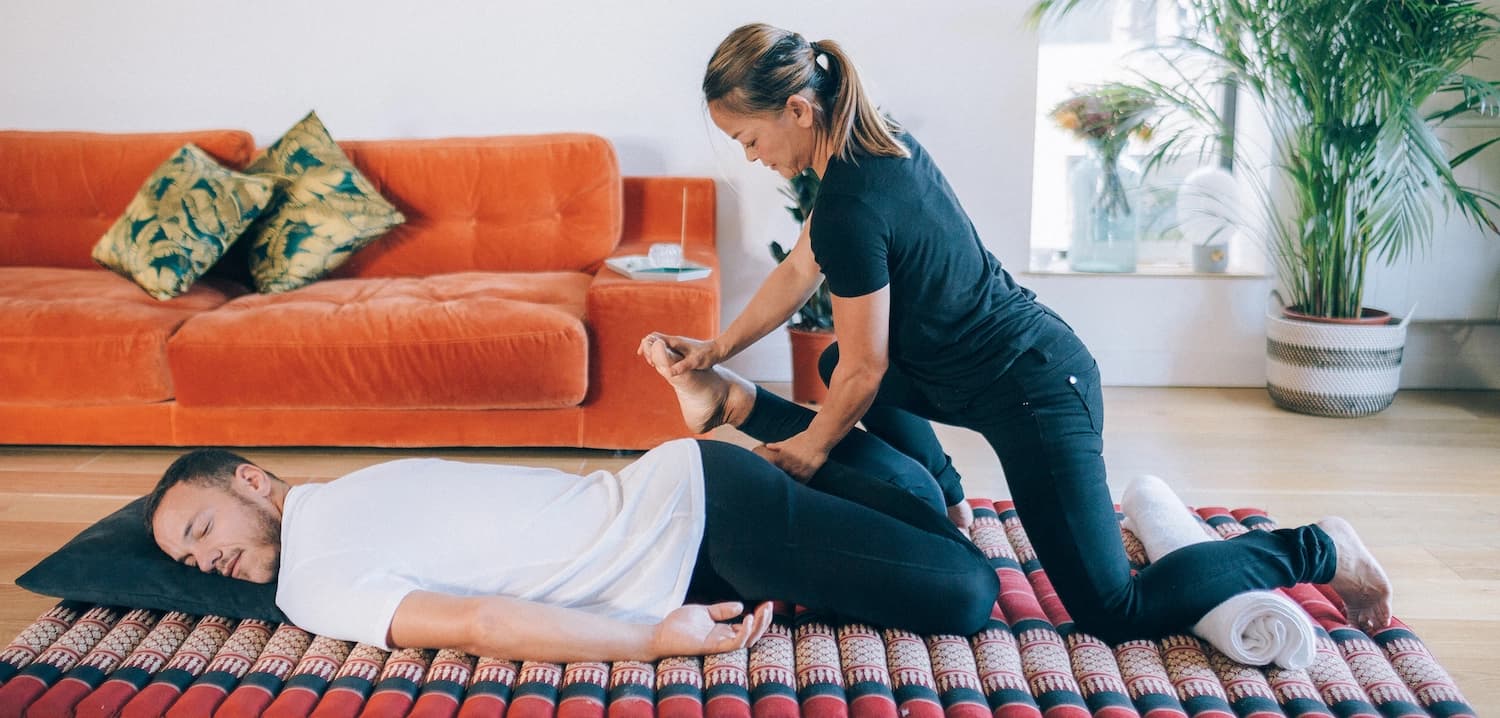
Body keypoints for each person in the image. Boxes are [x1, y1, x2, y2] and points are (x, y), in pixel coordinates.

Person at [643, 22, 1394, 639]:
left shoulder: (852, 201)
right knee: (841, 353)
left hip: (1036, 392)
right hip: (973, 369)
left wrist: (807, 450)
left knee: (1113, 609)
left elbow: (867, 373)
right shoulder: (867, 148)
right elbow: (800, 270)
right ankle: (950, 498)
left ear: (797, 112)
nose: (751, 156)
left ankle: (1320, 547)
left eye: (747, 137)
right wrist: (717, 349)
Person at [144, 350, 999, 662]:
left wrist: (650, 643)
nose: (202, 561)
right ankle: (872, 426)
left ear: (253, 481)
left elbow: (481, 621)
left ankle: (763, 410)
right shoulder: (361, 484)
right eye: (186, 559)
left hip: (700, 517)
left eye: (200, 530)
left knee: (967, 593)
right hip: (688, 512)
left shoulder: (312, 577)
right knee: (921, 523)